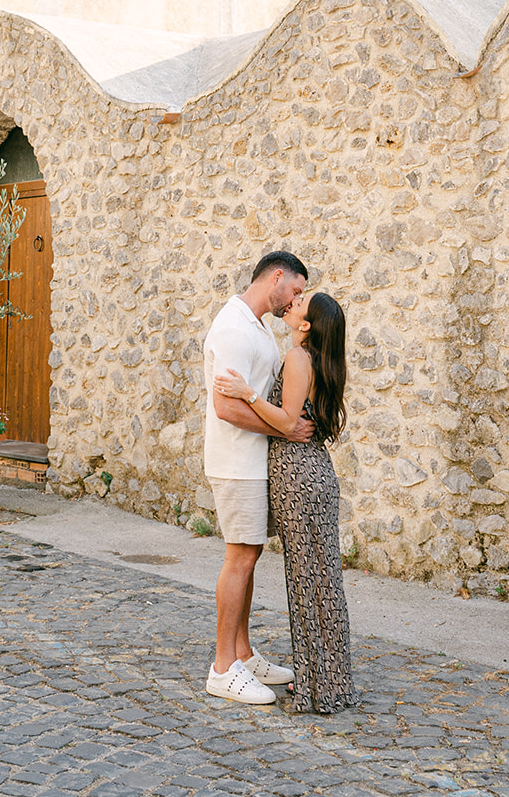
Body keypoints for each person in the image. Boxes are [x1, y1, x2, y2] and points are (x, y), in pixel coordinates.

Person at [215, 291, 359, 715]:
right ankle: (330, 681)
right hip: (314, 475)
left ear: (307, 324)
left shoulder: (299, 357)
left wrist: (245, 392)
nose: (292, 304)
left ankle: (318, 686)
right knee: (322, 579)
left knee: (305, 579)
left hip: (298, 475)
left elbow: (287, 420)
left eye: (301, 303)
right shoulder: (319, 360)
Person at [202, 250, 312, 704]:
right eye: (297, 291)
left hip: (253, 461)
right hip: (235, 462)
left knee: (250, 555)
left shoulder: (257, 326)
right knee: (240, 558)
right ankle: (223, 667)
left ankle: (243, 655)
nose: (296, 301)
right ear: (277, 277)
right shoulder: (232, 328)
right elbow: (226, 407)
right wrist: (286, 426)